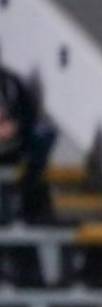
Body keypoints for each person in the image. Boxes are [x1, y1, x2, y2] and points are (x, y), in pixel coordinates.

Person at [0, 43, 55, 224]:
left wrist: (16, 126)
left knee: (45, 131)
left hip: (12, 145)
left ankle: (27, 185)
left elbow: (28, 113)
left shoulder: (11, 82)